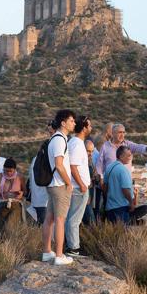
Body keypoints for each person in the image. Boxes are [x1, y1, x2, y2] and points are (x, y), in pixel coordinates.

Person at [41, 109, 76, 266]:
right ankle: (60, 255)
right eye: (71, 120)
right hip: (59, 185)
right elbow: (59, 165)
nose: (74, 123)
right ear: (63, 122)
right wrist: (69, 183)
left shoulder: (56, 139)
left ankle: (47, 252)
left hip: (52, 185)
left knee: (50, 219)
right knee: (60, 220)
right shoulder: (60, 140)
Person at [64, 115, 92, 256]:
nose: (91, 128)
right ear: (84, 128)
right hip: (77, 187)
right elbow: (73, 166)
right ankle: (73, 248)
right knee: (74, 219)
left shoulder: (75, 142)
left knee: (72, 218)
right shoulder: (76, 143)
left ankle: (70, 246)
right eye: (90, 125)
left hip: (77, 186)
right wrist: (81, 184)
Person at [28, 122, 54, 225]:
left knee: (41, 227)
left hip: (36, 200)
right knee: (48, 227)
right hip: (45, 200)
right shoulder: (46, 160)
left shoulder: (35, 159)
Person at [103, 146, 134, 223]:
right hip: (121, 207)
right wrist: (131, 203)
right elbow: (125, 189)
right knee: (122, 233)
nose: (130, 157)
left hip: (110, 207)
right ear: (120, 156)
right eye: (128, 155)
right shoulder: (123, 170)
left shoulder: (109, 167)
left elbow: (105, 187)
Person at [0, 158, 25, 232]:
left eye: (11, 171)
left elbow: (25, 191)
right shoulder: (0, 176)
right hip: (2, 204)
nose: (8, 173)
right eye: (6, 171)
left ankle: (10, 242)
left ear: (15, 169)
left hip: (15, 204)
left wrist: (21, 193)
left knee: (10, 226)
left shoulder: (20, 177)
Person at [82, 139, 100, 225]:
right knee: (91, 222)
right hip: (84, 198)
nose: (91, 154)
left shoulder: (89, 161)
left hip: (89, 198)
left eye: (92, 151)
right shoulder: (79, 162)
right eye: (88, 151)